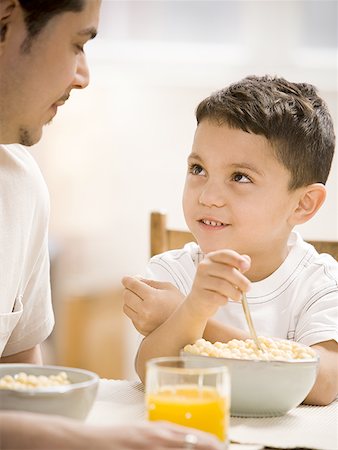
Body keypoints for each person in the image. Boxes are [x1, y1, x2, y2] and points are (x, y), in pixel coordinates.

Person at [0, 1, 224, 449]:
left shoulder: (21, 184)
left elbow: (20, 375)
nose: (84, 76)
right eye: (77, 44)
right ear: (6, 20)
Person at [122, 75, 338, 406]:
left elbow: (323, 383)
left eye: (240, 177)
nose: (208, 196)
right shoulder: (174, 272)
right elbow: (151, 373)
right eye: (198, 169)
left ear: (303, 203)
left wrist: (194, 317)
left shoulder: (319, 281)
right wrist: (191, 306)